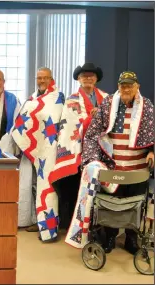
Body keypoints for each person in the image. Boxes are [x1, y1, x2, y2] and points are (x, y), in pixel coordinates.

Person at [65, 71, 154, 255]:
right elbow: (91, 134)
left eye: (130, 85)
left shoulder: (148, 107)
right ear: (118, 87)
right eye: (123, 85)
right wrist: (92, 161)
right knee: (112, 204)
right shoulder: (107, 104)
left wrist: (152, 151)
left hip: (138, 168)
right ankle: (110, 237)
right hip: (114, 167)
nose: (126, 89)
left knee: (135, 204)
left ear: (137, 86)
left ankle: (131, 239)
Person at [7, 67, 65, 242]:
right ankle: (39, 222)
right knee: (34, 187)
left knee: (48, 188)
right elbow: (23, 120)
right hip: (35, 149)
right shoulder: (32, 99)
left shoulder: (58, 98)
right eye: (39, 78)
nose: (41, 81)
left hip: (50, 149)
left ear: (51, 79)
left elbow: (54, 120)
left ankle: (50, 229)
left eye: (45, 78)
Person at [50, 63, 108, 230]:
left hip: (101, 148)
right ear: (79, 79)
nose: (88, 79)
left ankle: (97, 224)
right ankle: (73, 224)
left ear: (96, 79)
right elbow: (71, 125)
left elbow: (112, 120)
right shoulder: (72, 100)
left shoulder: (106, 98)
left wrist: (99, 118)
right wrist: (92, 118)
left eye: (91, 76)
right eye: (84, 76)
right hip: (77, 149)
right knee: (74, 186)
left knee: (99, 186)